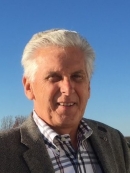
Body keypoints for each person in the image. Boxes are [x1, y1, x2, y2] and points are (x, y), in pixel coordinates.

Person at [0, 29, 130, 173]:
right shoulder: (4, 151)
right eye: (53, 77)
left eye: (77, 76)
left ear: (88, 87)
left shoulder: (114, 140)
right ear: (29, 87)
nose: (67, 89)